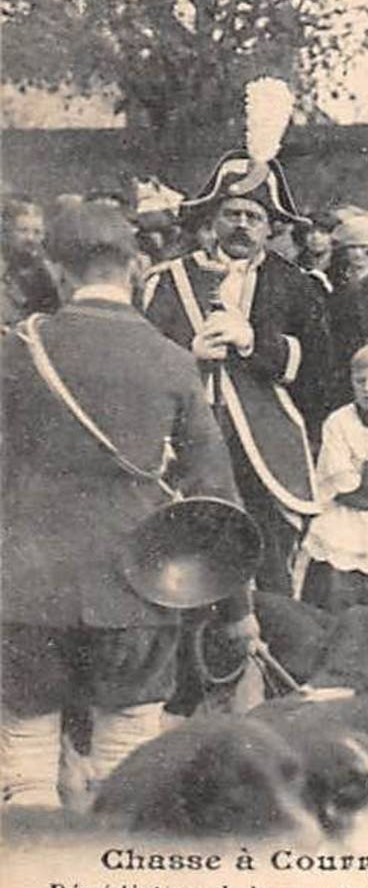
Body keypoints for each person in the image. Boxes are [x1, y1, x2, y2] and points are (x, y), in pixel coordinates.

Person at [1, 201, 239, 807]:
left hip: (25, 587)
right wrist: (237, 610)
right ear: (135, 267)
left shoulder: (17, 353)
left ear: (57, 270)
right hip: (138, 585)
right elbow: (214, 496)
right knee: (126, 762)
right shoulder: (172, 360)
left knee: (26, 763)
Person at [143, 148, 332, 595]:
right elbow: (145, 361)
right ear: (213, 219)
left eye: (253, 216)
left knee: (269, 566)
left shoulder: (299, 286)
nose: (242, 224)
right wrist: (188, 357)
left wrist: (255, 344)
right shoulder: (168, 281)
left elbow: (323, 375)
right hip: (186, 445)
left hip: (267, 453)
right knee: (187, 562)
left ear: (271, 228)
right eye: (232, 214)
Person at [298, 341, 368, 613]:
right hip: (344, 524)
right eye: (360, 381)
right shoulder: (340, 422)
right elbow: (344, 482)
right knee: (336, 597)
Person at [2, 197, 64, 328]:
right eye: (22, 230)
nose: (30, 238)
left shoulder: (52, 273)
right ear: (7, 233)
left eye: (37, 232)